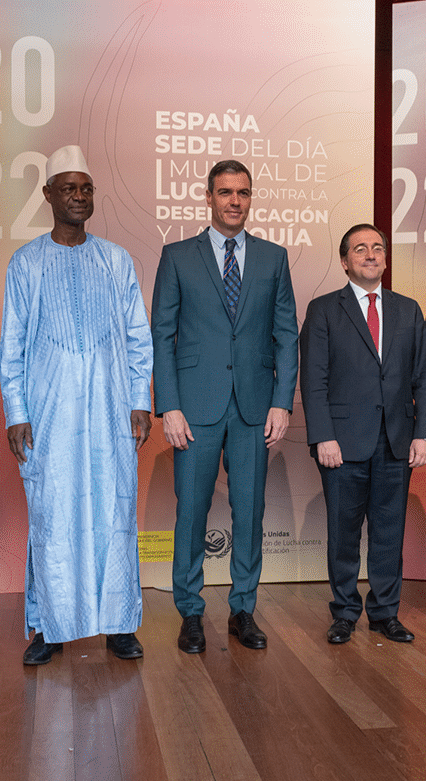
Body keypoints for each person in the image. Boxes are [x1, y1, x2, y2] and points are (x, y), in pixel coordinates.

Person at [1, 145, 154, 665]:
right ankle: (50, 625)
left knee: (115, 510)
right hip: (49, 413)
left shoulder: (116, 259)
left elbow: (137, 337)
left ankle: (119, 624)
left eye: (86, 188)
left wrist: (139, 399)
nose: (79, 197)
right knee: (53, 514)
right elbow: (13, 344)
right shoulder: (26, 262)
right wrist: (16, 412)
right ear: (48, 195)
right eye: (68, 188)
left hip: (111, 409)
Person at [151, 159, 299, 653]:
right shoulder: (177, 256)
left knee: (250, 512)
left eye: (243, 192)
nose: (235, 201)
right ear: (208, 197)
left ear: (250, 198)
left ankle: (243, 609)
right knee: (191, 511)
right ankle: (190, 612)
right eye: (225, 192)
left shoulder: (273, 258)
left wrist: (282, 403)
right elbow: (162, 335)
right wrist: (169, 405)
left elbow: (286, 335)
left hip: (255, 407)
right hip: (194, 407)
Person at [300, 224, 426, 644]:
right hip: (341, 442)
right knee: (343, 534)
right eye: (360, 249)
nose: (371, 254)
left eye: (377, 248)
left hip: (396, 439)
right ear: (345, 261)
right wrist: (323, 436)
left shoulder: (408, 309)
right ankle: (344, 612)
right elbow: (313, 380)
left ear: (386, 259)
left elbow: (424, 377)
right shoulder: (324, 309)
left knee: (389, 533)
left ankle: (384, 613)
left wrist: (423, 433)